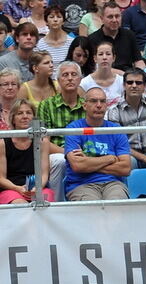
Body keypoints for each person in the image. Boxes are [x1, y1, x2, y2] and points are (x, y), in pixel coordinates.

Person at [64, 85, 131, 200]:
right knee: (93, 211)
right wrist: (109, 158)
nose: (99, 105)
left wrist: (88, 162)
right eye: (94, 101)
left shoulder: (116, 130)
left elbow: (125, 168)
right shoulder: (74, 129)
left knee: (116, 209)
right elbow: (77, 165)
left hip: (113, 183)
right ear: (84, 105)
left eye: (102, 101)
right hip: (81, 184)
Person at [37, 60, 84, 199]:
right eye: (65, 75)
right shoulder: (46, 105)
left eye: (74, 74)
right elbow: (43, 141)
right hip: (56, 152)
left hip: (83, 151)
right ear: (58, 80)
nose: (70, 78)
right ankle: (57, 205)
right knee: (60, 161)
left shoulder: (87, 105)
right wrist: (67, 153)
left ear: (80, 79)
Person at [0, 98, 54, 203]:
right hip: (11, 189)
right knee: (21, 206)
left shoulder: (43, 142)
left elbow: (44, 174)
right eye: (20, 113)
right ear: (13, 119)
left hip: (37, 188)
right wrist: (17, 188)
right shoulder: (2, 143)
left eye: (29, 113)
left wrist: (37, 188)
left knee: (45, 203)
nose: (25, 116)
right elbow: (1, 178)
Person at [88, 2, 145, 71]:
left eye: (117, 16)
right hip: (104, 76)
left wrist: (140, 73)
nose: (114, 20)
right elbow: (94, 67)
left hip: (128, 78)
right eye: (110, 17)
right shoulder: (92, 39)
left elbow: (138, 60)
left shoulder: (129, 35)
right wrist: (122, 74)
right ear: (102, 19)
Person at [79, 39, 123, 106]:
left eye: (108, 54)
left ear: (113, 58)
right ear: (95, 58)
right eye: (100, 54)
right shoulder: (85, 83)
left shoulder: (122, 82)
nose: (104, 57)